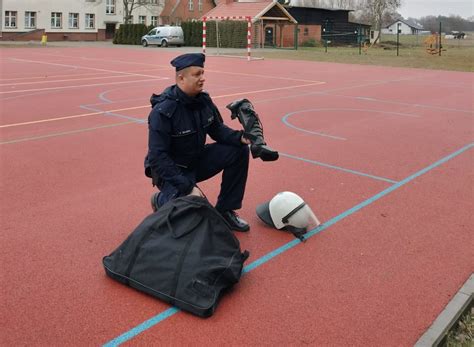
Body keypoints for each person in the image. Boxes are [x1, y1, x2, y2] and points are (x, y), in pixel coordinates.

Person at [145, 53, 251, 232]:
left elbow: (217, 130)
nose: (203, 78)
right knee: (195, 220)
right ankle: (161, 200)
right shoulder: (163, 111)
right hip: (171, 170)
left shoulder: (204, 101)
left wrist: (240, 137)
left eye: (203, 73)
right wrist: (188, 187)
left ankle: (225, 210)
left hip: (195, 160)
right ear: (181, 78)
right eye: (197, 74)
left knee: (239, 150)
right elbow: (157, 157)